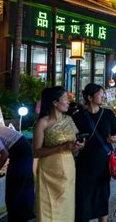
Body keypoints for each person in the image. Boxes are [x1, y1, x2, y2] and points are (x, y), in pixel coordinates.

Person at [33, 86, 83, 221]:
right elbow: (36, 152)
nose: (68, 102)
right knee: (48, 209)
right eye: (65, 99)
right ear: (55, 102)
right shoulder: (42, 123)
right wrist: (60, 148)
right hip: (48, 170)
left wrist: (77, 146)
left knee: (66, 206)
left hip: (68, 168)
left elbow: (73, 146)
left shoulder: (68, 120)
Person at [73, 83, 116, 222]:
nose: (103, 97)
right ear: (89, 97)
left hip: (104, 161)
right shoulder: (78, 117)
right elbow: (72, 137)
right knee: (83, 194)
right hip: (85, 162)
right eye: (100, 94)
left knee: (102, 193)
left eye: (103, 94)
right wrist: (76, 144)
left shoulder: (108, 114)